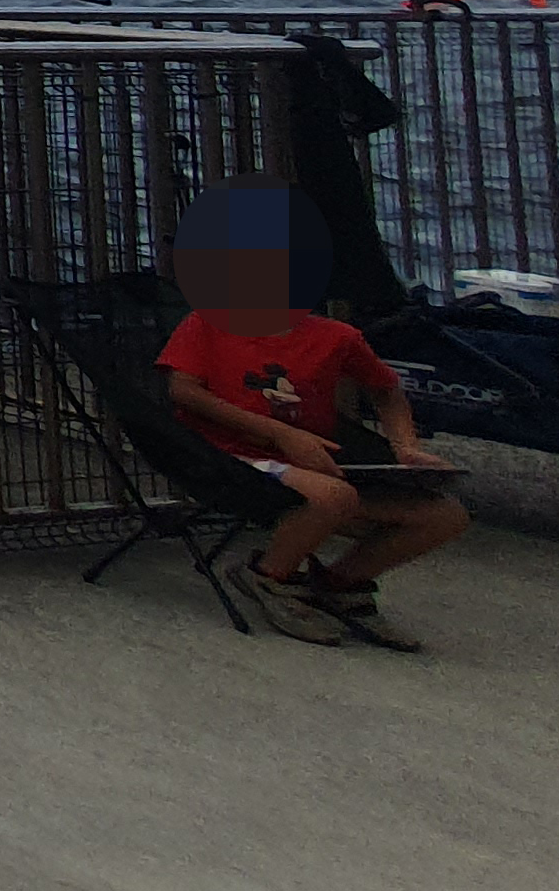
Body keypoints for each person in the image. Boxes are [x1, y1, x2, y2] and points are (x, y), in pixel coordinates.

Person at [156, 176, 467, 649]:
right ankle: (271, 577)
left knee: (446, 515)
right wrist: (278, 435)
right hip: (230, 456)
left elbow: (387, 390)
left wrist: (405, 448)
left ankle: (341, 583)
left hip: (315, 460)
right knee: (334, 497)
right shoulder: (207, 323)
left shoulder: (337, 337)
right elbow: (185, 393)